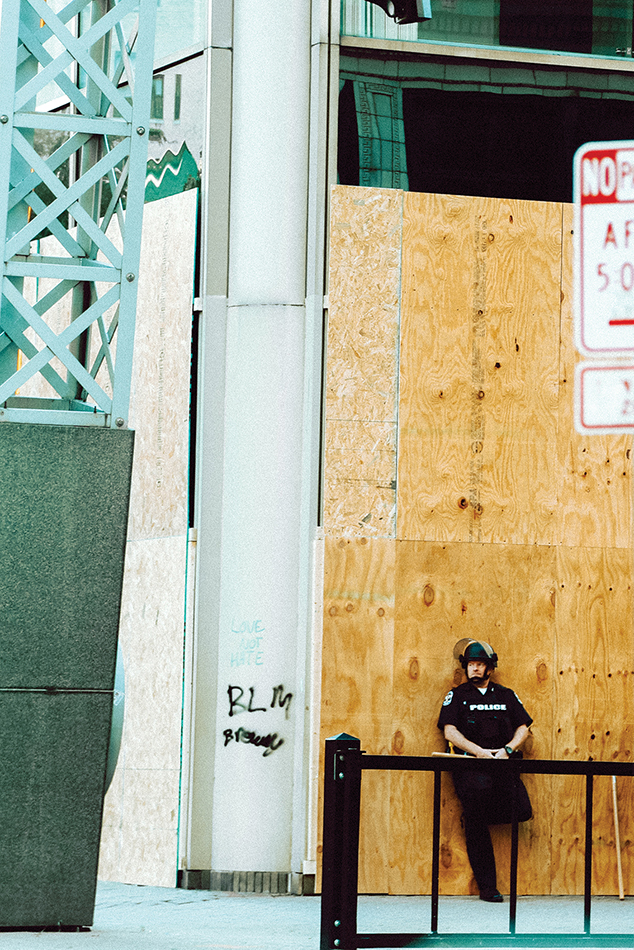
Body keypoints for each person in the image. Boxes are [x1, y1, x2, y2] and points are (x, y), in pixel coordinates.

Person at [437, 638, 533, 903]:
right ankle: (488, 888)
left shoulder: (505, 694)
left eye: (479, 664)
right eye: (471, 665)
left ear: (489, 668)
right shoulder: (457, 696)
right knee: (477, 811)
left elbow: (523, 727)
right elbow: (450, 731)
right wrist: (477, 750)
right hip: (470, 767)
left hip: (502, 764)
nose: (474, 669)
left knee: (523, 811)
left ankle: (474, 819)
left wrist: (509, 749)